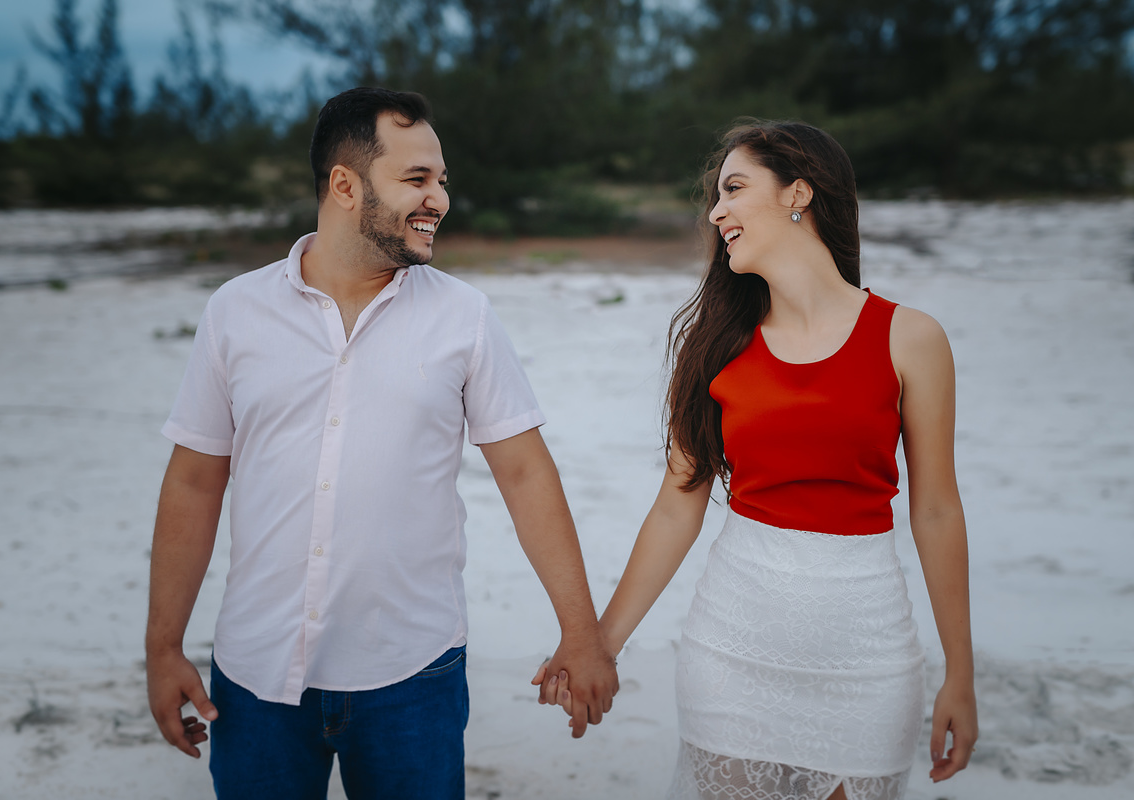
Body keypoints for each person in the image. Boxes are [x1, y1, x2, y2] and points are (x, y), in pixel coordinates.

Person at [145, 86, 619, 800]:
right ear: (345, 184)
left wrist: (581, 632)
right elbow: (194, 481)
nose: (440, 199)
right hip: (256, 673)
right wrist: (163, 646)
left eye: (442, 180)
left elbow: (525, 475)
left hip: (412, 677)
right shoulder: (235, 313)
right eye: (417, 180)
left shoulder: (465, 317)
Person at [535, 121, 977, 799]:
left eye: (734, 189)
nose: (717, 213)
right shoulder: (717, 348)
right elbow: (675, 507)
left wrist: (960, 673)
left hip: (867, 657)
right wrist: (600, 644)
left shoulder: (911, 339)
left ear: (799, 192)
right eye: (717, 196)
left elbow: (938, 511)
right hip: (733, 654)